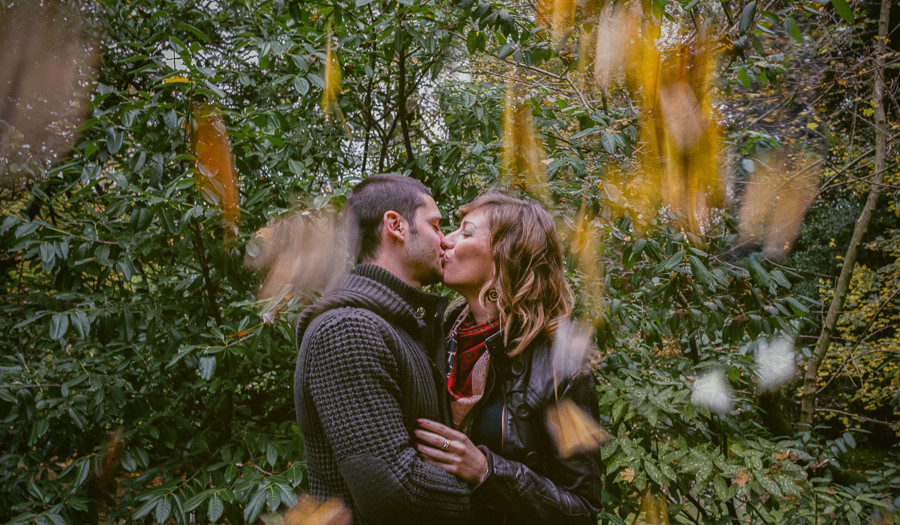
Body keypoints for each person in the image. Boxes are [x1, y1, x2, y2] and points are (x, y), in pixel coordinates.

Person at [293, 174, 471, 524]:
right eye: (435, 225)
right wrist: (493, 486)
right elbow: (396, 494)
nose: (444, 240)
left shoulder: (401, 326)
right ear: (396, 226)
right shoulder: (347, 330)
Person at [415, 193, 603, 524]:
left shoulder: (562, 370)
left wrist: (489, 471)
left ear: (508, 255)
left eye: (467, 232)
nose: (445, 240)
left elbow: (582, 509)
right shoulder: (437, 336)